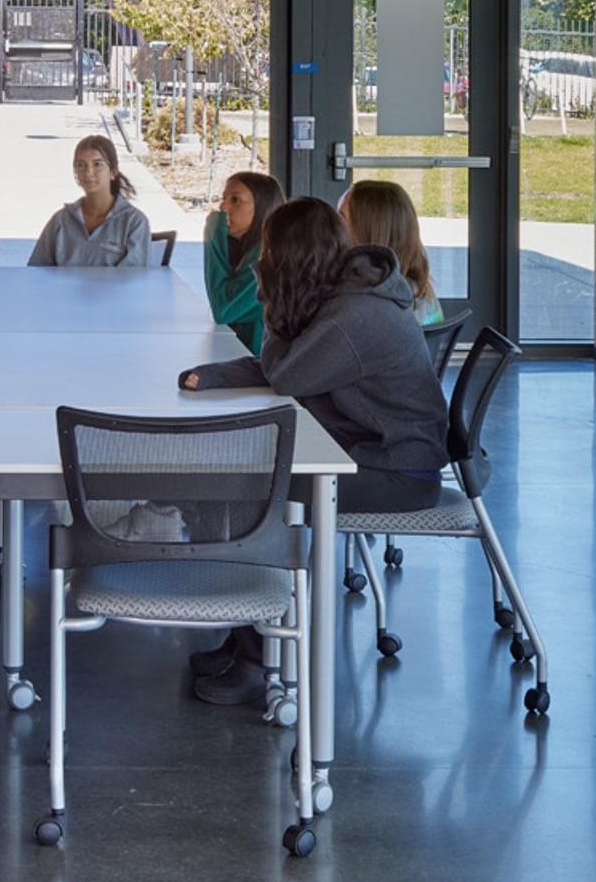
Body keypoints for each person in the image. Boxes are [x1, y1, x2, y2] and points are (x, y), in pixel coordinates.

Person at [176, 196, 450, 706]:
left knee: (257, 497)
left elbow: (287, 372)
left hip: (396, 472)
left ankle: (261, 659)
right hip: (373, 453)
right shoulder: (345, 298)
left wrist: (274, 303)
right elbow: (297, 363)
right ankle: (246, 639)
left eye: (269, 252)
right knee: (253, 484)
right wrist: (213, 376)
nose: (262, 260)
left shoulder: (354, 316)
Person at [25, 134, 152, 267]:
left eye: (97, 164)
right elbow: (36, 273)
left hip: (111, 288)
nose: (88, 172)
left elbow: (133, 281)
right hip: (63, 288)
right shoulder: (61, 221)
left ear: (113, 172)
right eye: (81, 165)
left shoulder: (134, 222)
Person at [336, 179, 445, 325]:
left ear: (368, 233)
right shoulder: (421, 294)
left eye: (341, 220)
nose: (334, 227)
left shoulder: (368, 304)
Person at [202, 170, 286, 354]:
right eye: (223, 199)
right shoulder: (248, 249)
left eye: (235, 200)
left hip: (261, 368)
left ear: (262, 206)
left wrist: (213, 235)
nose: (223, 207)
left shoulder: (270, 254)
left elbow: (223, 309)